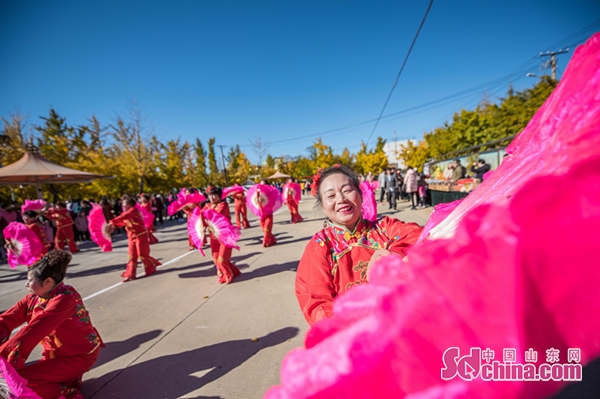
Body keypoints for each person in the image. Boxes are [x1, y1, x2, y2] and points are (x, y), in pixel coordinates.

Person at [295, 165, 424, 325]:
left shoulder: (384, 227)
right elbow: (316, 302)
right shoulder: (319, 247)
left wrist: (394, 254)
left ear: (361, 195)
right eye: (331, 196)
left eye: (347, 190)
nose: (341, 199)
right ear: (323, 206)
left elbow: (420, 234)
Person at [0, 250, 103, 399]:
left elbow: (33, 330)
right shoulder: (34, 297)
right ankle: (61, 384)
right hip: (54, 353)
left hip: (78, 355)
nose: (26, 284)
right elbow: (7, 318)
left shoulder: (64, 299)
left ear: (48, 282)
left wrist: (3, 355)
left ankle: (66, 393)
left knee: (16, 382)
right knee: (13, 380)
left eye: (30, 280)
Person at [109, 196, 161, 282]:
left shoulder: (133, 210)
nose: (122, 204)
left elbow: (122, 217)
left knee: (142, 255)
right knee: (131, 257)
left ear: (129, 204)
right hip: (131, 237)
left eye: (124, 203)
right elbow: (122, 222)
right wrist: (113, 226)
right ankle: (130, 274)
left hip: (141, 235)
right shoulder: (126, 213)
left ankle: (151, 266)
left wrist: (111, 221)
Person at [203, 187, 242, 284]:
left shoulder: (223, 205)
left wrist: (205, 214)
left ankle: (228, 275)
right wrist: (203, 226)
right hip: (214, 237)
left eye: (214, 195)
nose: (212, 197)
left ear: (219, 196)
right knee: (216, 259)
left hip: (225, 237)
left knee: (222, 259)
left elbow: (215, 215)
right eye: (210, 195)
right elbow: (200, 215)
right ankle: (234, 271)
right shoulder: (207, 206)